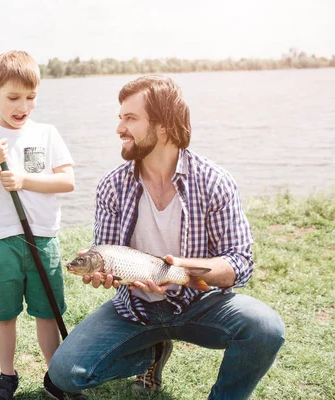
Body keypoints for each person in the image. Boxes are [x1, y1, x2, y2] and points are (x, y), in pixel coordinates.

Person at [47, 75, 285, 399]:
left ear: (163, 127)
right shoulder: (111, 187)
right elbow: (106, 253)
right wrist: (104, 275)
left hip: (198, 305)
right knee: (63, 373)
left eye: (130, 119)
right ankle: (151, 354)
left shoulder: (215, 182)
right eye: (120, 118)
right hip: (136, 308)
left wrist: (183, 271)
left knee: (266, 328)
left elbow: (239, 264)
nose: (120, 129)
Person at [0, 50, 85, 400]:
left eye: (31, 98)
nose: (23, 106)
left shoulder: (46, 133)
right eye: (14, 97)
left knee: (47, 313)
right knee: (4, 315)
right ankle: (6, 376)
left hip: (43, 238)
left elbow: (67, 182)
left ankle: (56, 375)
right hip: (2, 241)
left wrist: (24, 180)